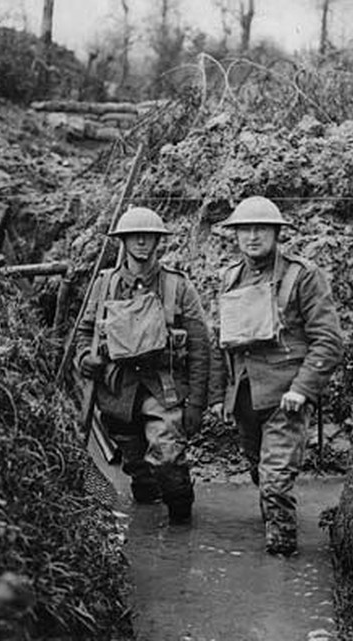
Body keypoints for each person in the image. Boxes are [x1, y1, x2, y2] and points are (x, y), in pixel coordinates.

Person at [209, 196, 343, 555]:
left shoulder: (303, 276)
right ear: (235, 235)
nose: (252, 237)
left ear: (276, 233)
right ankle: (271, 515)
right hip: (245, 399)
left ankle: (282, 557)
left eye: (261, 229)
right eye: (244, 230)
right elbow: (223, 342)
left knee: (276, 480)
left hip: (287, 398)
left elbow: (328, 341)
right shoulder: (229, 277)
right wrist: (221, 394)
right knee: (258, 469)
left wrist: (302, 388)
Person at [76, 206, 210, 524]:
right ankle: (146, 522)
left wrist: (197, 404)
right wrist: (86, 358)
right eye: (134, 236)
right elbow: (84, 332)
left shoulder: (178, 286)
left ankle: (180, 518)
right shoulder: (104, 285)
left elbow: (200, 347)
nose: (140, 242)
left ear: (157, 241)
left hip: (162, 387)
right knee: (137, 468)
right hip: (118, 389)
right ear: (122, 240)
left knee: (167, 456)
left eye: (147, 236)